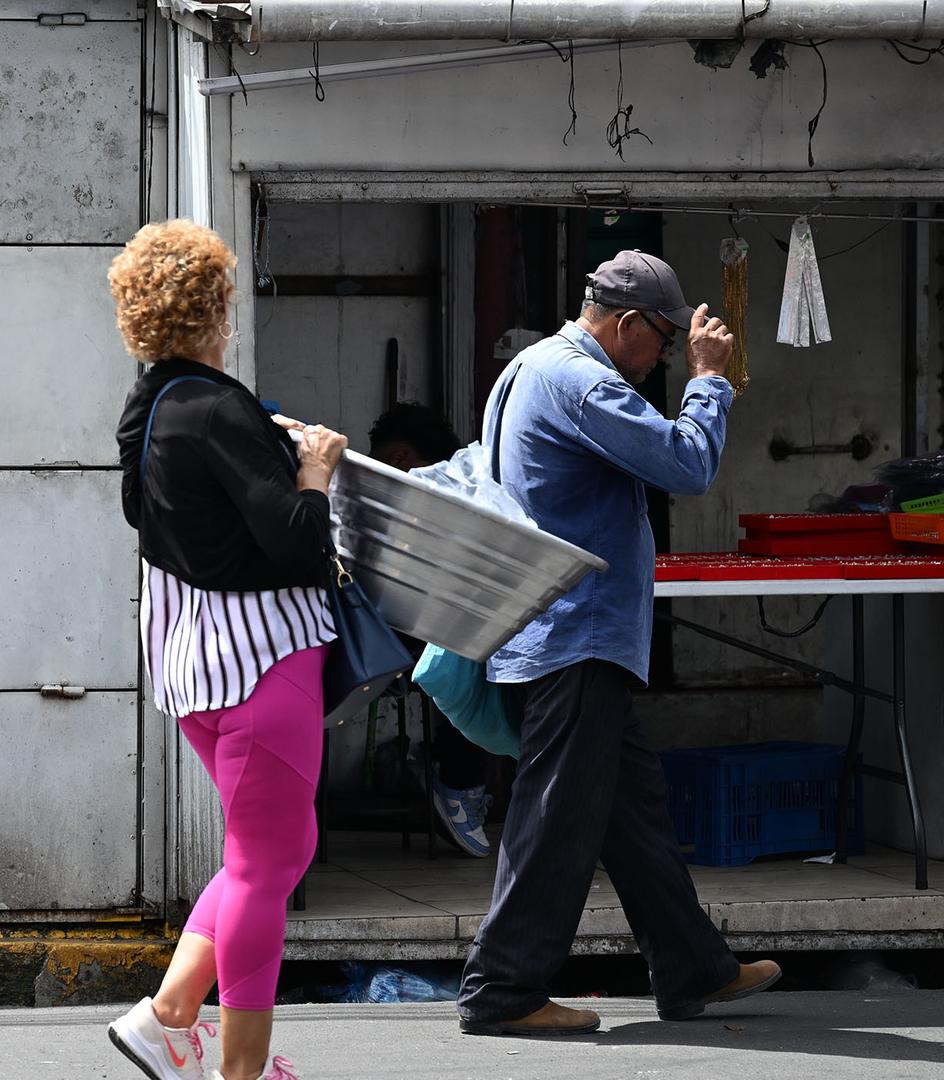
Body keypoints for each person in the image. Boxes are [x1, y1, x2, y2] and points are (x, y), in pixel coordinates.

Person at [456, 251, 780, 1036]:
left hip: (560, 632)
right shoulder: (582, 380)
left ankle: (693, 965)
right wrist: (709, 378)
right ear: (629, 324)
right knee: (556, 818)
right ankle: (502, 989)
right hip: (574, 635)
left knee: (631, 814)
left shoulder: (532, 367)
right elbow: (686, 463)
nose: (668, 357)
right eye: (665, 342)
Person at [103, 219, 347, 1080]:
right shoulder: (216, 408)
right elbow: (293, 538)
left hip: (196, 668)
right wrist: (312, 467)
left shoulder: (153, 407)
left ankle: (169, 1014)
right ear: (217, 310)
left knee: (269, 853)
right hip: (263, 665)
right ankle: (240, 1071)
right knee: (264, 866)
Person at [368, 402, 494, 858]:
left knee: (478, 648)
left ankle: (459, 778)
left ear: (400, 457)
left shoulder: (443, 489)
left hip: (419, 625)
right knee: (476, 648)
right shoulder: (467, 482)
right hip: (393, 632)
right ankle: (459, 779)